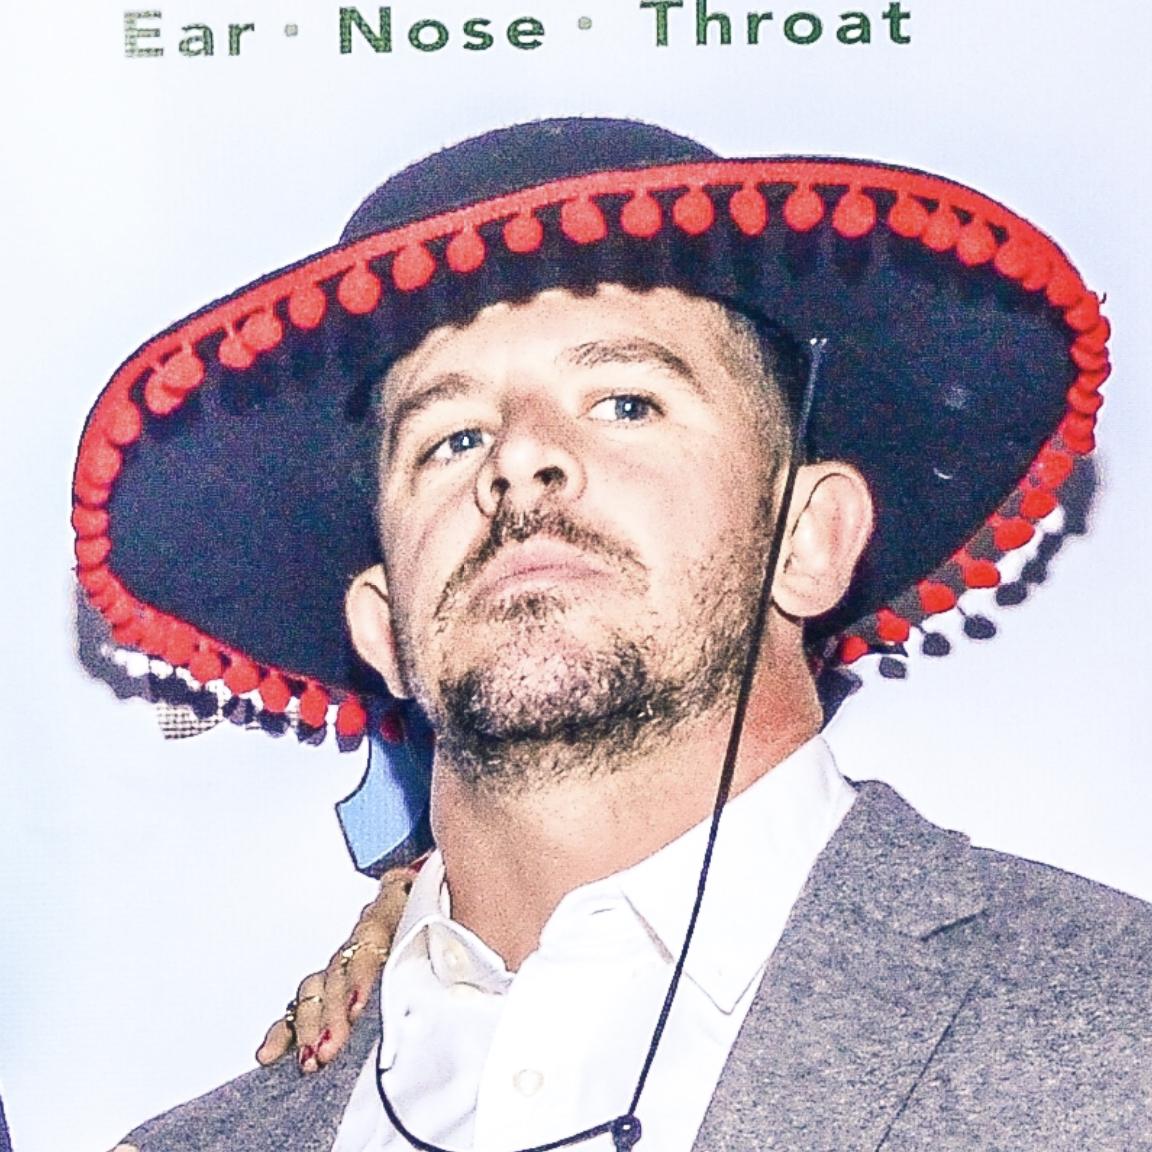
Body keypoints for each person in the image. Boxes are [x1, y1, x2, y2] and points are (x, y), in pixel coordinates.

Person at [74, 119, 1148, 1151]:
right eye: (451, 438)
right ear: (384, 626)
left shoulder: (1116, 1030)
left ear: (809, 538)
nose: (519, 456)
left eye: (626, 403)